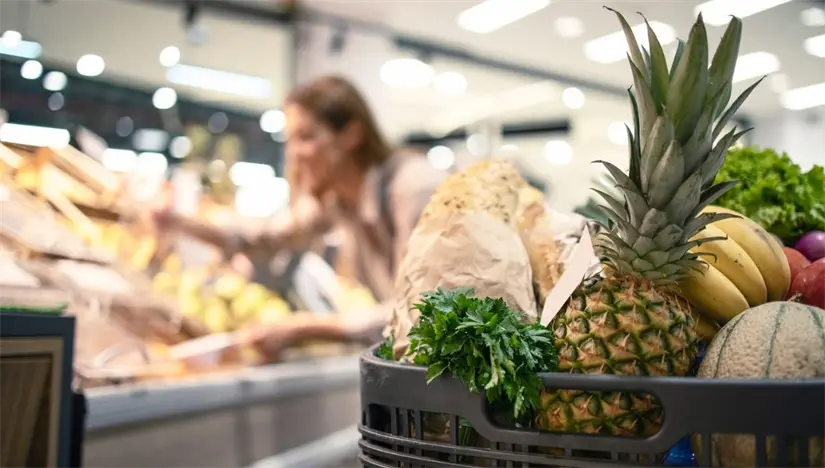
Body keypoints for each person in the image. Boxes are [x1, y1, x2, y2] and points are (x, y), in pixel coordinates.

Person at [152, 75, 446, 360]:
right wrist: (178, 221)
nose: (294, 155)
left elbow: (423, 312)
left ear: (352, 135)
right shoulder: (339, 199)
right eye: (290, 140)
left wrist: (306, 328)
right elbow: (265, 237)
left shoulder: (414, 189)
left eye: (306, 137)